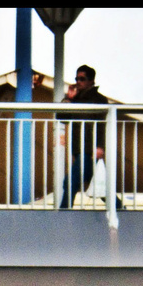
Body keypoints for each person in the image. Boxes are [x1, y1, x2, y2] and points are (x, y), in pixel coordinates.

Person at [58, 64, 123, 210]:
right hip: (79, 150)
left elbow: (101, 125)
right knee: (100, 185)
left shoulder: (98, 99)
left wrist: (100, 146)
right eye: (77, 78)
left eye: (82, 79)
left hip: (89, 150)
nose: (78, 82)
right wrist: (68, 99)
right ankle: (120, 209)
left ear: (91, 81)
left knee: (70, 182)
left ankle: (63, 212)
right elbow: (61, 117)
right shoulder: (75, 99)